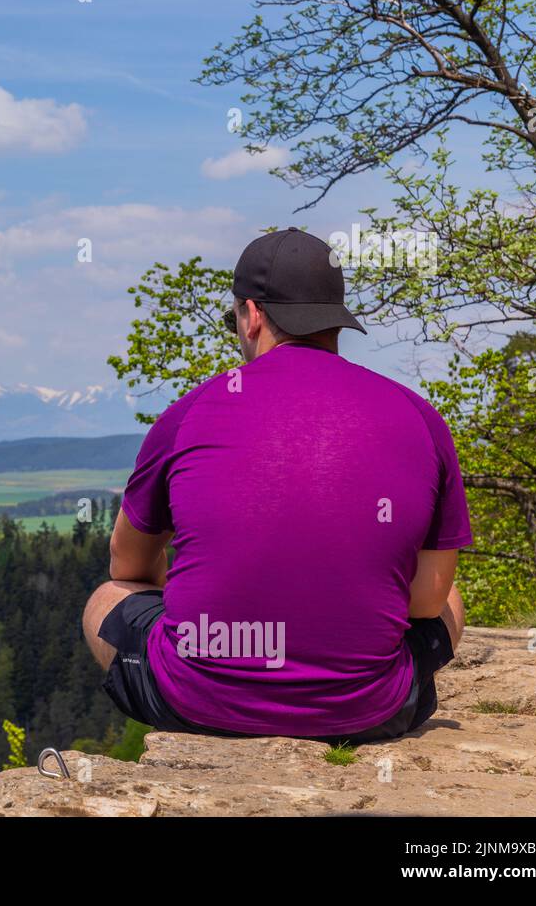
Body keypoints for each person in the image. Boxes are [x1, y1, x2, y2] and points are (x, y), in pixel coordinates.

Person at [84, 227, 471, 743]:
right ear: (334, 319)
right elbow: (425, 602)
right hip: (372, 713)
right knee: (453, 601)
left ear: (254, 315)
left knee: (105, 597)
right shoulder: (419, 417)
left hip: (196, 703)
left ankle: (209, 690)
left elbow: (126, 566)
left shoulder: (189, 413)